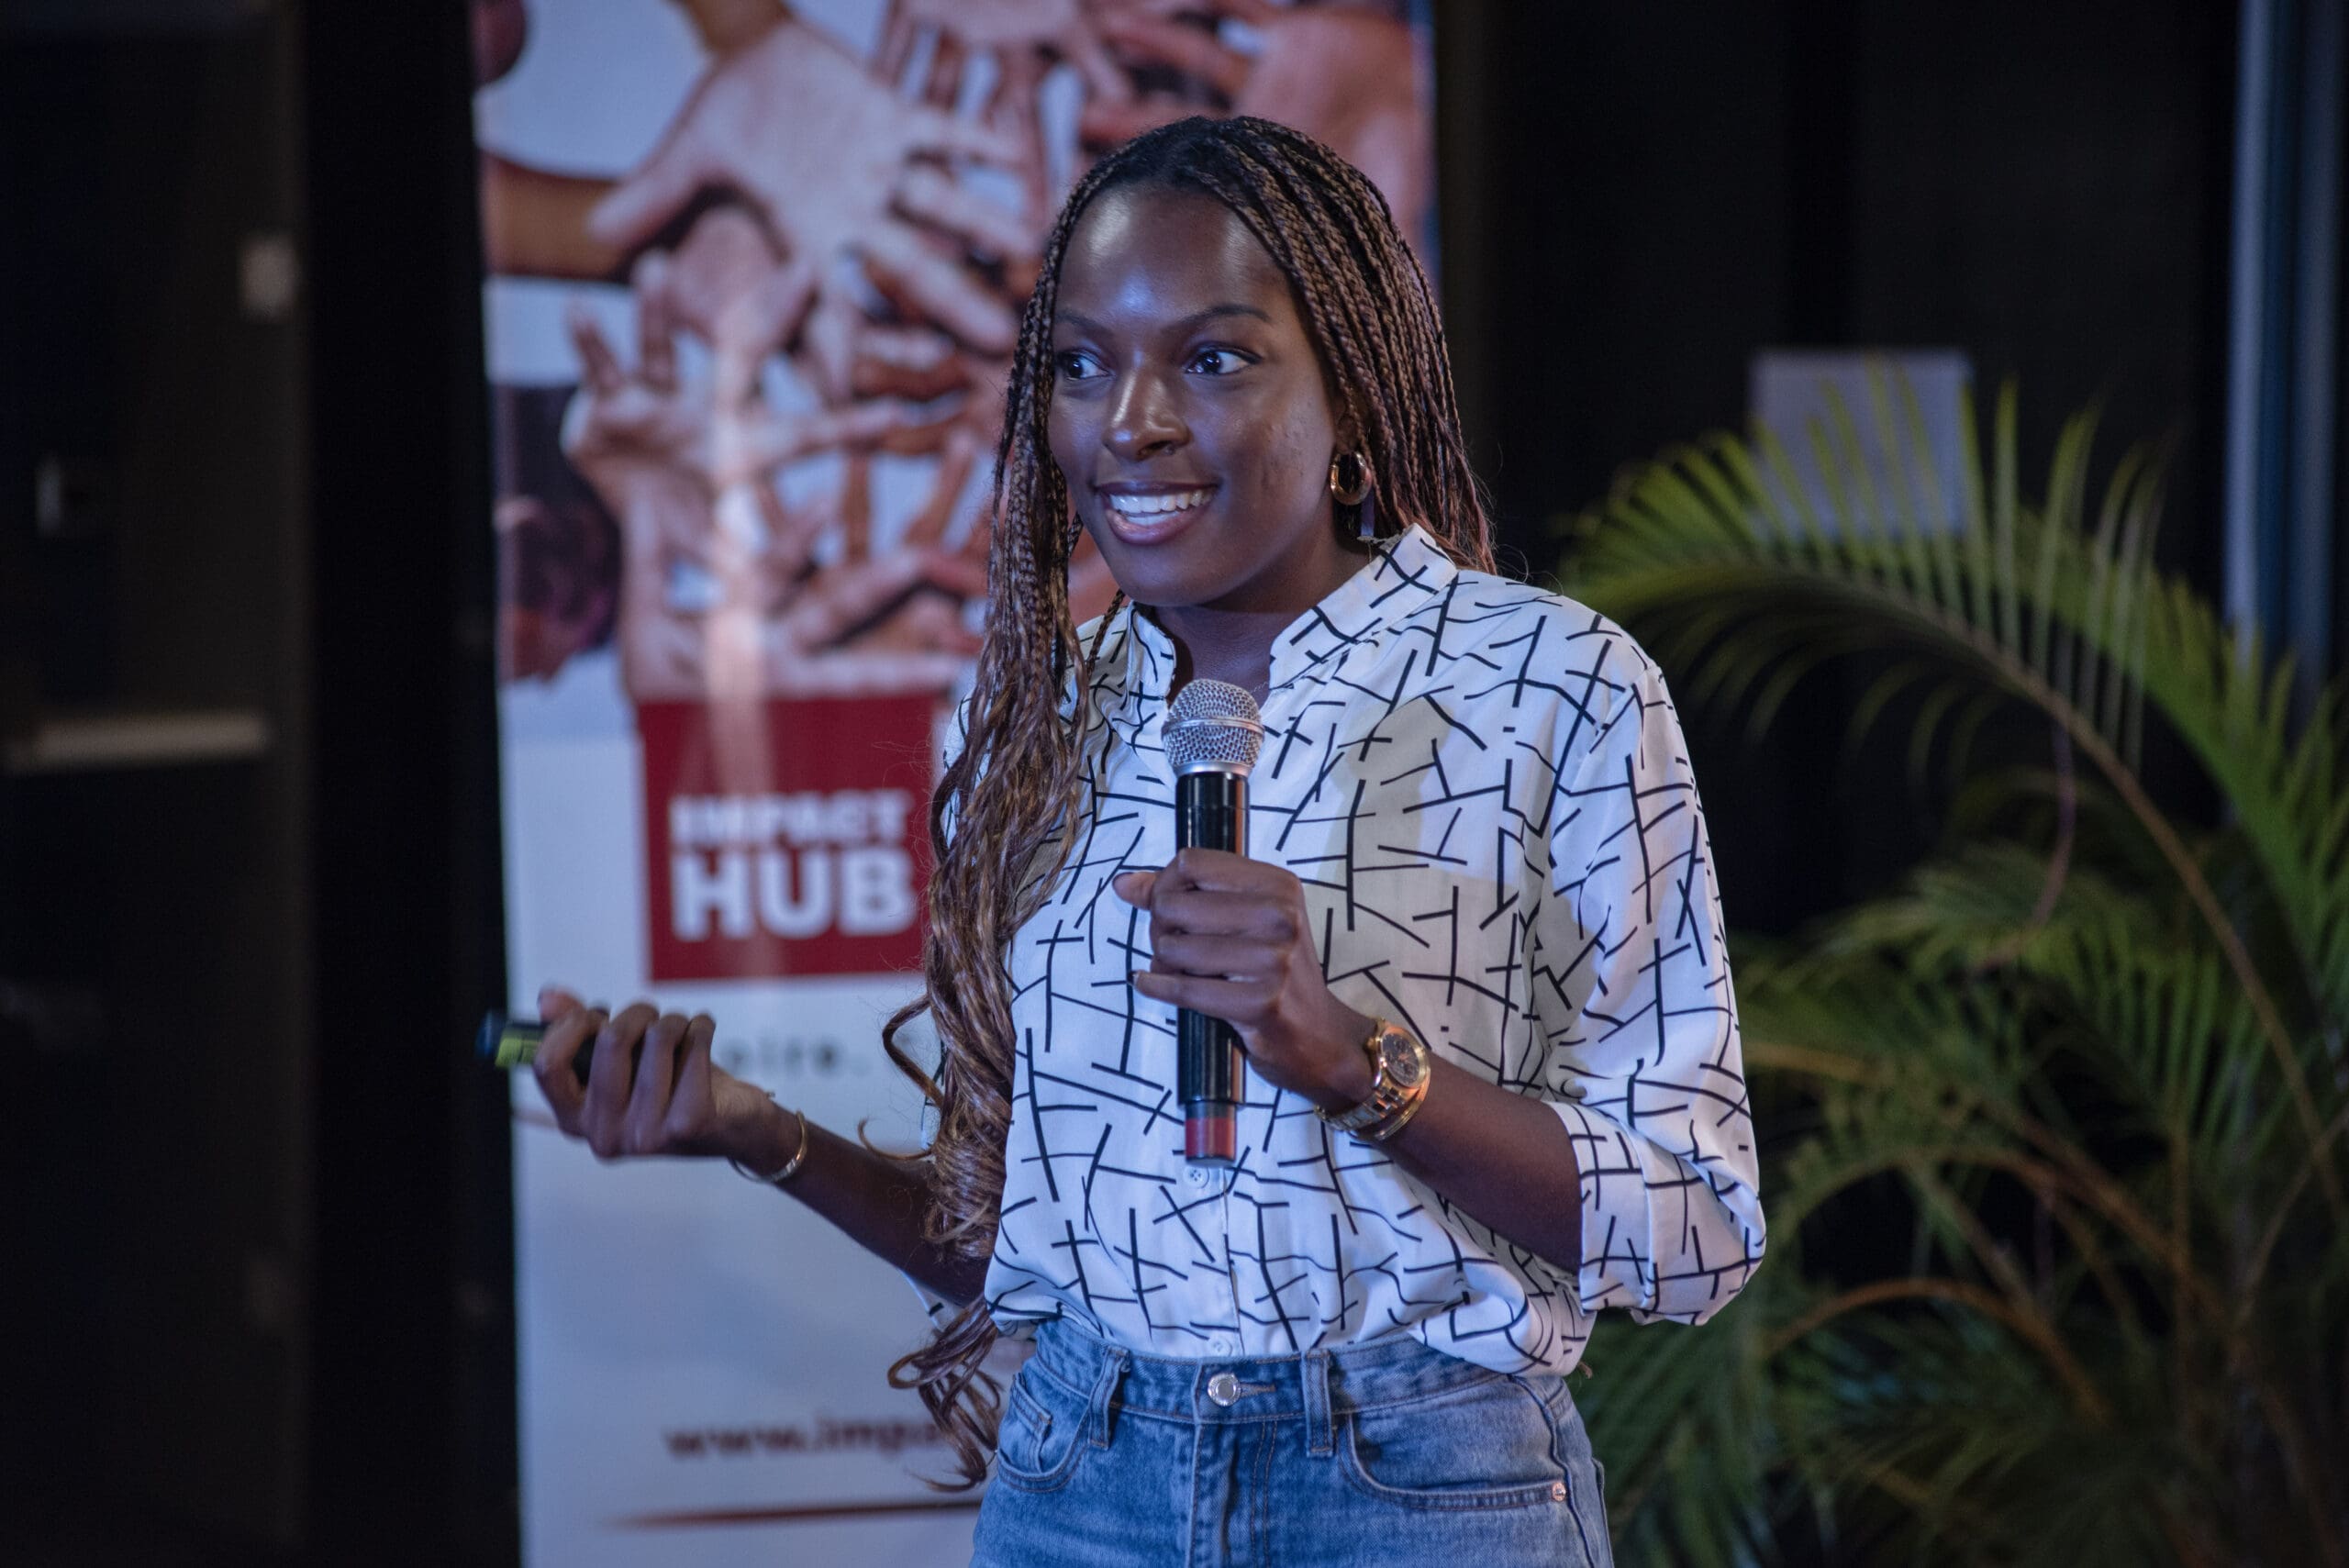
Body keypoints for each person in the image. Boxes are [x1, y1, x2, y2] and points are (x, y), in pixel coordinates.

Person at [528, 116, 1764, 1566]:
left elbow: (1697, 1224)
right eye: (1082, 363)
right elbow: (1028, 1248)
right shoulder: (1035, 716)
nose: (1132, 421)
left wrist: (1355, 1062)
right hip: (1081, 1485)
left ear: (1354, 388)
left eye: (1214, 357)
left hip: (1419, 1493)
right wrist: (756, 1131)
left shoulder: (1552, 685)